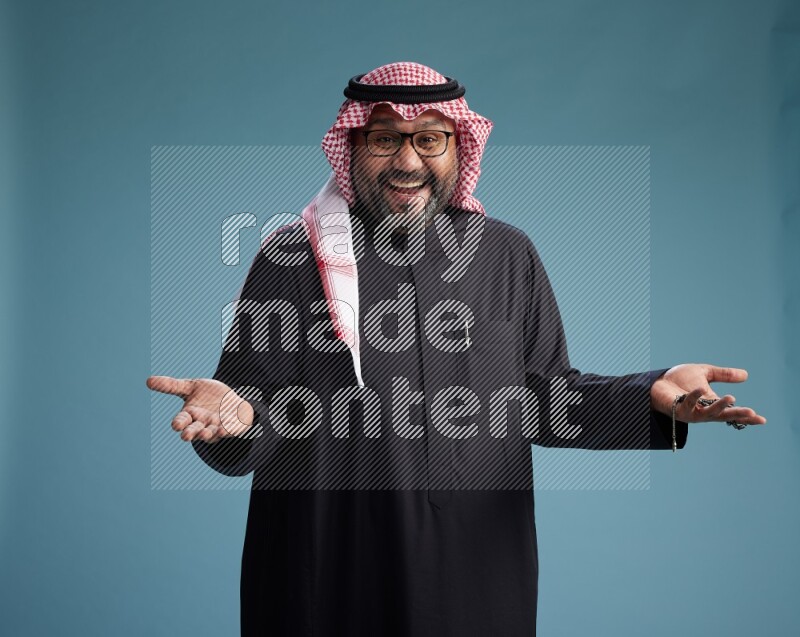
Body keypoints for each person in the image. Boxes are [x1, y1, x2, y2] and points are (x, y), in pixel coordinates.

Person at [146, 62, 766, 636]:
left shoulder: (507, 255)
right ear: (352, 146)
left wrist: (651, 396)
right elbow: (248, 410)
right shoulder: (290, 257)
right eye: (384, 139)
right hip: (326, 564)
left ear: (459, 146)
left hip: (473, 572)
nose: (406, 160)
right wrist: (234, 417)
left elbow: (548, 398)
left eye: (429, 139)